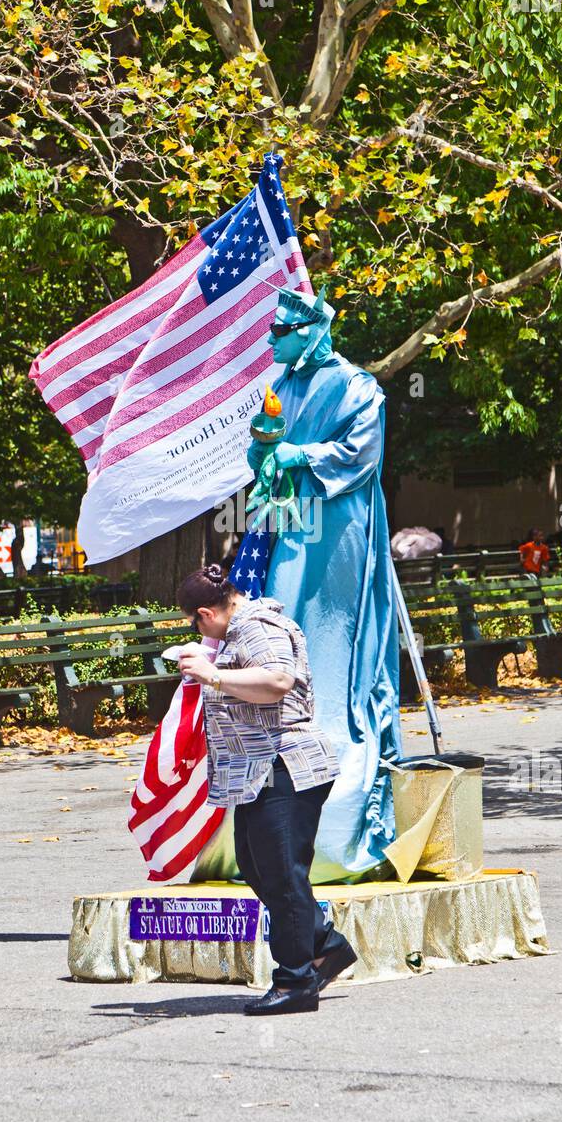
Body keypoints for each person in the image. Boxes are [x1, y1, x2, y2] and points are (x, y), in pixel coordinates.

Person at [236, 285, 403, 883]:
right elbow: (263, 458)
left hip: (339, 531)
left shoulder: (359, 387)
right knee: (279, 623)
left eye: (282, 330)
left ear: (312, 330)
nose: (273, 339)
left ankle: (336, 754)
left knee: (330, 637)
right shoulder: (277, 388)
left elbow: (361, 455)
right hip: (286, 523)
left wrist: (296, 456)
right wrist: (263, 452)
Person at [175, 563, 356, 1016]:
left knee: (281, 871)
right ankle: (324, 945)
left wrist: (212, 674)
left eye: (194, 622)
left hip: (285, 765)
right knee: (259, 867)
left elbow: (278, 681)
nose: (197, 632)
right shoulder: (238, 631)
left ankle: (295, 981)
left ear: (205, 613)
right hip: (259, 771)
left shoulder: (255, 625)